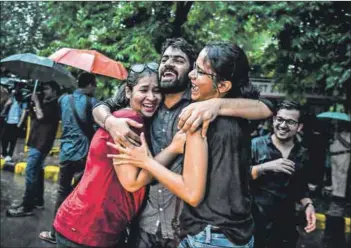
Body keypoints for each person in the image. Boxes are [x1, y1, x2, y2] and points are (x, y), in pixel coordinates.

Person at [93, 38, 273, 247]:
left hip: (188, 229)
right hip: (147, 222)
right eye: (165, 59)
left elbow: (267, 106)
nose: (169, 64)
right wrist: (110, 121)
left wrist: (216, 104)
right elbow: (103, 105)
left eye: (179, 60)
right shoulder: (148, 103)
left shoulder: (197, 111)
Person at [51, 63, 165, 248]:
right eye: (144, 90)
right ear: (128, 92)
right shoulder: (131, 121)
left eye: (157, 91)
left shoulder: (120, 116)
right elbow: (132, 181)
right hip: (88, 230)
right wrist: (175, 149)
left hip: (83, 224)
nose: (151, 97)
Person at [39, 72, 97, 244]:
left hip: (66, 152)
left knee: (62, 192)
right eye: (94, 85)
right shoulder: (92, 102)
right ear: (89, 85)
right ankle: (74, 234)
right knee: (80, 194)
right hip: (83, 154)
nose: (95, 88)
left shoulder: (63, 99)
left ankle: (53, 233)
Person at [250, 100, 316, 248]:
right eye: (280, 119)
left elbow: (300, 188)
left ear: (299, 127)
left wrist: (308, 205)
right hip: (254, 225)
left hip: (286, 228)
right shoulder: (255, 145)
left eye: (290, 122)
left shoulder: (303, 153)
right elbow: (237, 178)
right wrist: (265, 167)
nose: (283, 125)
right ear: (274, 120)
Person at [6, 81, 61, 217]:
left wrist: (36, 101)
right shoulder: (46, 103)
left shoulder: (55, 105)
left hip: (41, 143)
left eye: (47, 89)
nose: (44, 92)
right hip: (36, 141)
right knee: (38, 171)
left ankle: (27, 206)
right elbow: (35, 116)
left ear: (54, 91)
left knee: (31, 171)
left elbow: (41, 116)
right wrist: (33, 104)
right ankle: (38, 201)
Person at [1, 89, 27, 162]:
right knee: (3, 138)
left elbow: (24, 113)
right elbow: (4, 110)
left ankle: (9, 155)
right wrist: (7, 104)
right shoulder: (11, 99)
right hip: (7, 121)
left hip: (16, 123)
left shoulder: (22, 102)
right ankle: (4, 153)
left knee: (12, 140)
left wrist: (20, 123)